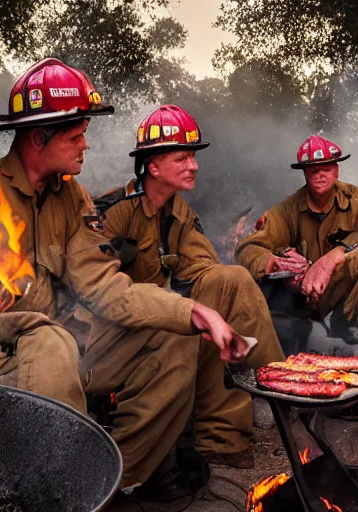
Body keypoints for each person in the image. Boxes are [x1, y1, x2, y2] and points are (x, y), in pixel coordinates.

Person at [0, 59, 254, 492]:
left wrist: (194, 312)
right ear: (38, 138)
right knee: (50, 343)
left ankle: (107, 483)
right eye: (76, 135)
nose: (86, 145)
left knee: (172, 334)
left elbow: (105, 286)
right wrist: (35, 330)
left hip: (62, 344)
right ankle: (53, 491)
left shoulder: (72, 196)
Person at [90, 104, 285, 469]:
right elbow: (96, 292)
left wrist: (214, 312)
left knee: (231, 281)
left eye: (193, 157)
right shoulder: (112, 212)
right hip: (115, 330)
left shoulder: (179, 212)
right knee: (193, 321)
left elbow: (205, 269)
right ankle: (125, 468)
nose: (193, 165)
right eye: (182, 158)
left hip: (165, 317)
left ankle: (242, 421)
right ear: (153, 166)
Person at [234, 135, 358, 371]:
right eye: (313, 170)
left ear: (336, 171)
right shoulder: (288, 210)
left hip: (353, 294)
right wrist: (276, 263)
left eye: (326, 168)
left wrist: (334, 257)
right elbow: (248, 248)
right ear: (304, 174)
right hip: (308, 302)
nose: (320, 175)